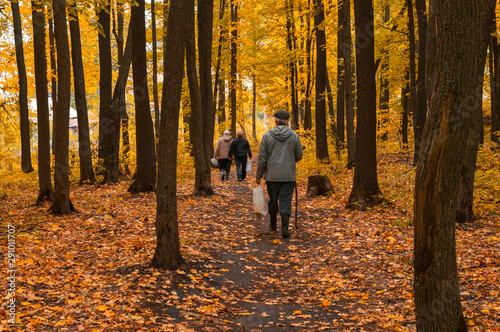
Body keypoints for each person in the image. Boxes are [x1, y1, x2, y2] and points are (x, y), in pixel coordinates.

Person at [256, 110, 303, 238]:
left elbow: (262, 158)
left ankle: (272, 227)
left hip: (272, 176)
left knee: (273, 199)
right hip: (288, 175)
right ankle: (285, 229)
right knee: (286, 200)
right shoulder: (294, 136)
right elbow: (298, 156)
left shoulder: (267, 136)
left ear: (276, 120)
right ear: (287, 121)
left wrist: (258, 175)